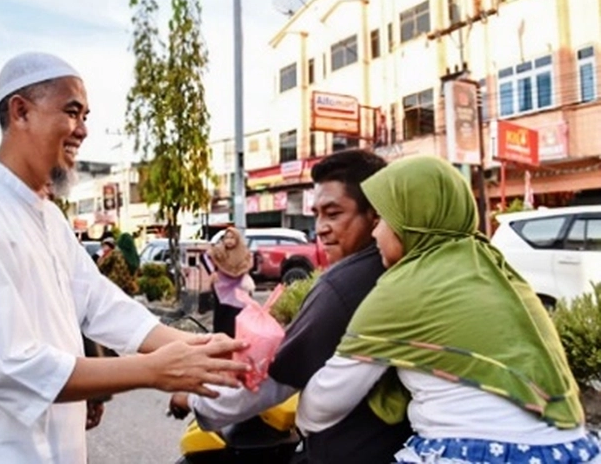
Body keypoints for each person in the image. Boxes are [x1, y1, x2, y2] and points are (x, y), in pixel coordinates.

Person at [0, 51, 249, 464]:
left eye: (86, 116)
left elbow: (103, 306)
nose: (84, 130)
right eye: (72, 112)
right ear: (20, 111)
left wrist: (201, 348)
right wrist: (152, 371)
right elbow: (8, 368)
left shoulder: (50, 220)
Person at [296, 155, 601, 463]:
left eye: (384, 219)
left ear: (413, 219)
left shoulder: (406, 285)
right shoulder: (496, 269)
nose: (375, 233)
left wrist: (299, 420)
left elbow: (325, 403)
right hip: (571, 449)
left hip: (473, 453)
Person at [170, 149, 412, 464]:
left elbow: (275, 380)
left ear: (375, 214)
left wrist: (193, 399)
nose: (321, 227)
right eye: (318, 214)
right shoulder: (409, 268)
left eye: (334, 213)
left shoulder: (345, 285)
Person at [203, 226, 255, 337]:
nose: (229, 241)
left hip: (238, 288)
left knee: (236, 316)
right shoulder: (219, 251)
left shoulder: (244, 253)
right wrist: (212, 272)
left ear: (237, 239)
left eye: (232, 238)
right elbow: (205, 257)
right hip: (221, 288)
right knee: (221, 317)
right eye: (227, 238)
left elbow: (247, 266)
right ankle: (219, 341)